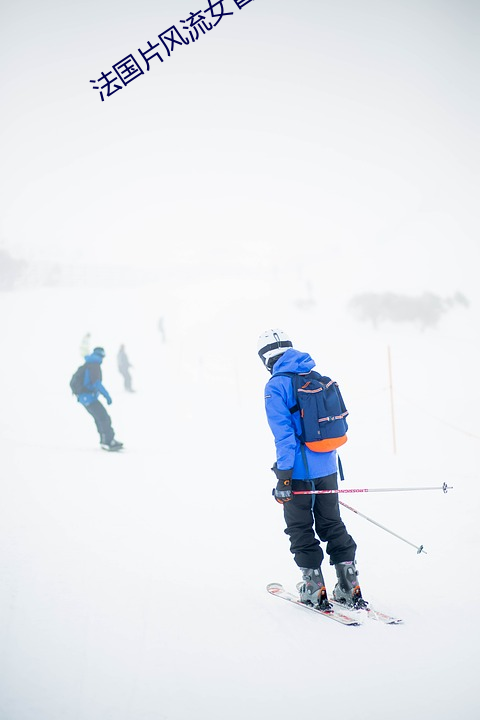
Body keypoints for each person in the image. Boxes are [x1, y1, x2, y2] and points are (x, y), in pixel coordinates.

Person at [257, 328, 366, 610]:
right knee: (332, 523)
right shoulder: (315, 377)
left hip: (298, 472)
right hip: (328, 465)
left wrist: (284, 477)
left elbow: (284, 436)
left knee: (300, 527)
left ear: (266, 358)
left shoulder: (276, 386)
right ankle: (348, 585)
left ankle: (313, 587)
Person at [76, 346, 123, 451]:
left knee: (100, 418)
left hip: (85, 398)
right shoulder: (94, 365)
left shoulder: (89, 363)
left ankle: (104, 440)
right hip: (89, 398)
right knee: (104, 418)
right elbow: (96, 383)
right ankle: (108, 441)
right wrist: (107, 396)